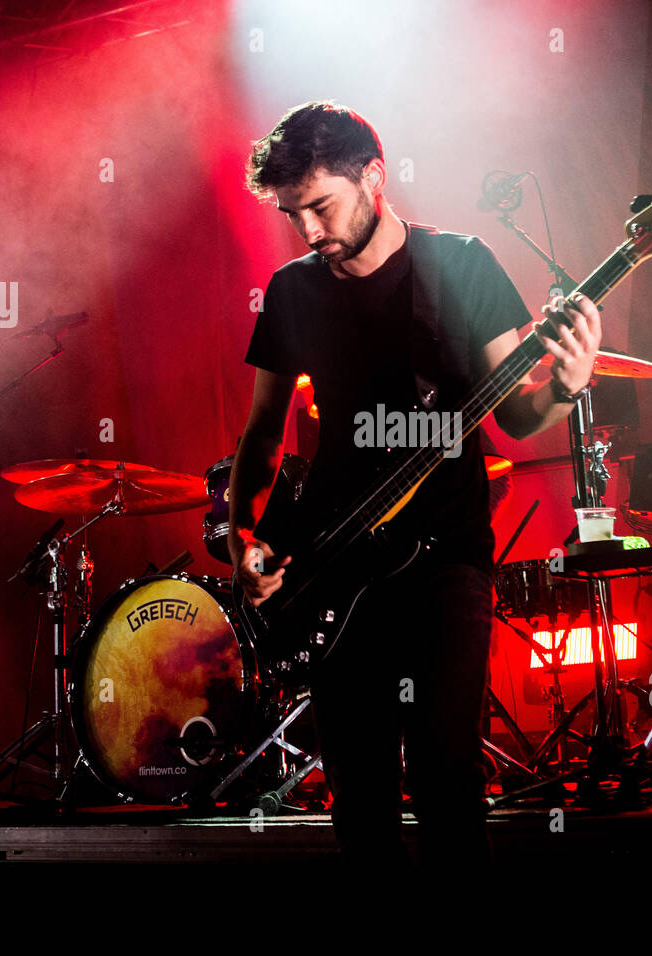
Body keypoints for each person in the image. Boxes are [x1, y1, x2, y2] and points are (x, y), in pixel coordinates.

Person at [228, 100, 601, 866]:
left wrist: (564, 386)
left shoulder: (460, 266)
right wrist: (242, 536)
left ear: (374, 176)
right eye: (294, 214)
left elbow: (517, 418)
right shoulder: (293, 291)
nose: (310, 232)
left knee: (444, 774)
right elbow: (263, 435)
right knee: (358, 790)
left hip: (443, 559)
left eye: (321, 207)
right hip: (328, 558)